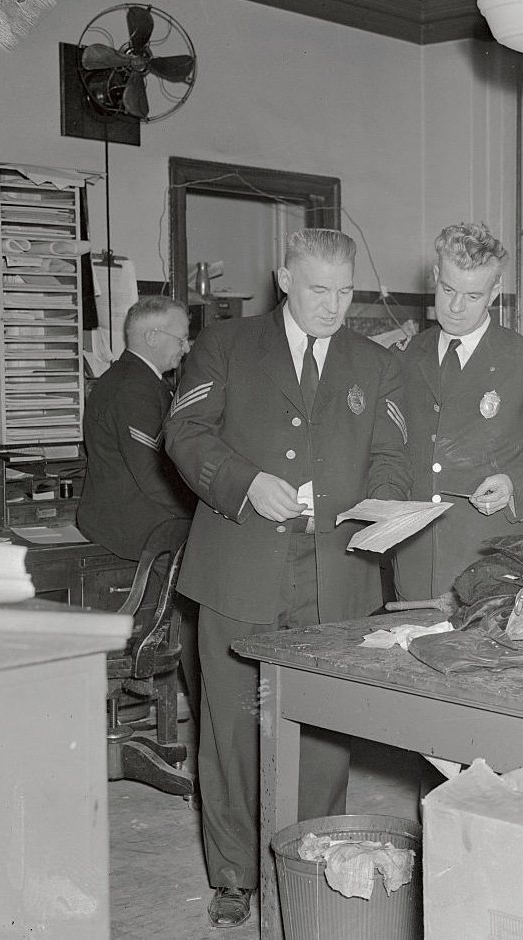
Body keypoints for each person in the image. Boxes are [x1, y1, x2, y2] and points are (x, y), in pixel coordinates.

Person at [164, 228, 411, 928]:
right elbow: (185, 434)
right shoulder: (227, 345)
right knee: (233, 727)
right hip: (241, 564)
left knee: (324, 737)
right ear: (284, 280)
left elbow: (391, 455)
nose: (332, 306)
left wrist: (378, 508)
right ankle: (235, 874)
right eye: (316, 290)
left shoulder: (374, 362)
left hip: (336, 571)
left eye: (344, 291)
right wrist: (243, 482)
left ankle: (313, 857)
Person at [393, 221, 523, 601]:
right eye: (447, 290)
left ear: (495, 293)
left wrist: (514, 483)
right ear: (435, 277)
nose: (456, 307)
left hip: (493, 567)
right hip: (414, 564)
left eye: (473, 295)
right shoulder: (402, 357)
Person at [77, 295, 196, 561]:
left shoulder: (135, 379)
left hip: (136, 522)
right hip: (138, 531)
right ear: (153, 336)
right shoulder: (134, 388)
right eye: (181, 338)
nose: (186, 348)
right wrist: (203, 510)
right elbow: (154, 475)